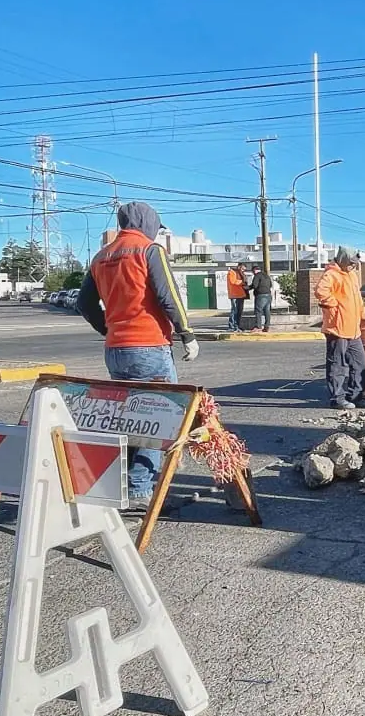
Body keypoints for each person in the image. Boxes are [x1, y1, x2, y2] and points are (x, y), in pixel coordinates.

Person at [78, 202, 199, 511]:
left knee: (130, 419)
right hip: (149, 348)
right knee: (157, 419)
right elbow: (168, 295)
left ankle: (128, 486)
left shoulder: (101, 256)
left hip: (116, 351)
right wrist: (187, 334)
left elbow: (84, 304)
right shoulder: (149, 250)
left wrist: (109, 330)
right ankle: (141, 491)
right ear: (148, 222)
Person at [317, 246, 365, 409]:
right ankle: (337, 399)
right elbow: (321, 291)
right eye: (351, 263)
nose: (354, 266)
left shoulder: (352, 275)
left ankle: (356, 397)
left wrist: (363, 315)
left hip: (353, 329)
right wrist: (335, 306)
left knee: (360, 364)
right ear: (344, 260)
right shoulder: (331, 274)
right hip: (337, 328)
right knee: (338, 365)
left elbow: (358, 299)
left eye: (355, 263)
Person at [226, 263, 250, 331]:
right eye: (242, 269)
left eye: (244, 270)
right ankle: (232, 326)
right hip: (234, 295)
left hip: (241, 295)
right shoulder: (232, 272)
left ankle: (237, 325)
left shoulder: (241, 273)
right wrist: (243, 282)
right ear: (239, 267)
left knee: (239, 311)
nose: (243, 270)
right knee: (234, 311)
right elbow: (233, 281)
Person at [251, 265, 274, 333]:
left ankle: (258, 327)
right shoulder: (266, 276)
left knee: (258, 311)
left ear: (254, 270)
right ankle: (267, 327)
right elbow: (270, 285)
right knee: (267, 311)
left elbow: (255, 285)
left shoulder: (257, 276)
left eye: (253, 271)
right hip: (268, 295)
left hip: (260, 295)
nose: (253, 273)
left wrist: (247, 288)